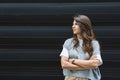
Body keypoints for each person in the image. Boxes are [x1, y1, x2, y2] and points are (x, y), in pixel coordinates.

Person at [60, 14, 103, 80]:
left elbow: (94, 64)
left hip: (88, 78)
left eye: (76, 24)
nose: (73, 26)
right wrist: (88, 65)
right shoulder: (68, 42)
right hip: (71, 78)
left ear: (84, 26)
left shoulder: (94, 44)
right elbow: (64, 64)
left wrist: (72, 60)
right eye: (73, 24)